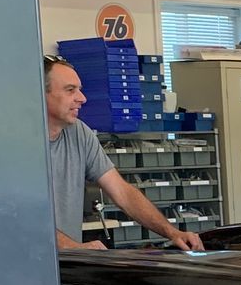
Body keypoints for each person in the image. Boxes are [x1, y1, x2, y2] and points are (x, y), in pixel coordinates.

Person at [43, 56, 205, 252]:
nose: (82, 98)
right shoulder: (18, 146)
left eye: (79, 89)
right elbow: (20, 215)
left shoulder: (79, 132)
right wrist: (73, 247)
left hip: (64, 262)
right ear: (40, 93)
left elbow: (122, 192)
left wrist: (172, 233)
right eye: (70, 90)